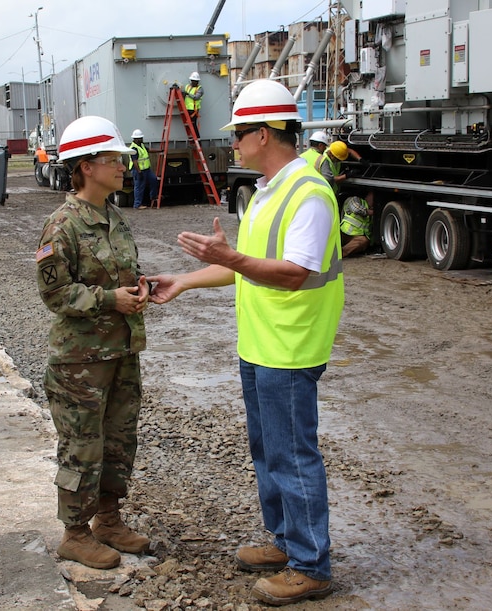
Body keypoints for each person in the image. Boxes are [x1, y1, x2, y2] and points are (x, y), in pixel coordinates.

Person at [147, 79, 343, 606]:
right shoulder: (265, 192)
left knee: (292, 456)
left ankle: (311, 565)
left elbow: (294, 274)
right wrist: (185, 279)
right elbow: (245, 270)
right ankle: (286, 542)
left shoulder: (308, 193)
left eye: (238, 133)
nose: (232, 142)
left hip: (291, 346)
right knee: (267, 451)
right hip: (259, 344)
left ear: (264, 133)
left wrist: (230, 258)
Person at [36, 115, 151, 570]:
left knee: (119, 440)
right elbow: (54, 293)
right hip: (80, 360)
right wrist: (109, 299)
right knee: (82, 445)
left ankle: (108, 519)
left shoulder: (115, 217)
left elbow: (121, 276)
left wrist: (142, 288)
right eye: (113, 158)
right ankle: (75, 533)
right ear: (85, 166)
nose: (123, 165)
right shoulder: (61, 225)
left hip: (121, 352)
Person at [128, 129, 159, 209]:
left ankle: (153, 197)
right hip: (138, 170)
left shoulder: (141, 145)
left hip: (146, 169)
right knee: (139, 187)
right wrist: (139, 172)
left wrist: (160, 150)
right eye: (140, 138)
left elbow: (149, 150)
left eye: (141, 138)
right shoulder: (133, 149)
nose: (141, 139)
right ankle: (137, 205)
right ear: (135, 139)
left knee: (154, 180)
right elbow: (135, 162)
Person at [184, 71, 203, 139]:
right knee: (189, 124)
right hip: (187, 108)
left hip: (194, 110)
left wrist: (188, 94)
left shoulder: (200, 89)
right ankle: (192, 137)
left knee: (193, 124)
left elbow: (196, 97)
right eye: (193, 80)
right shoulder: (187, 87)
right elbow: (184, 95)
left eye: (195, 81)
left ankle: (197, 138)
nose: (194, 82)